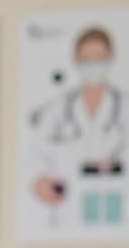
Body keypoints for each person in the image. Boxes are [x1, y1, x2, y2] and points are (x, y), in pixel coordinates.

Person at [29, 26, 126, 228]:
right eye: (86, 59)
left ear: (111, 58)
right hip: (68, 208)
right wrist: (40, 181)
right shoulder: (57, 108)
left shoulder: (124, 105)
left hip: (117, 202)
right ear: (75, 60)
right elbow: (36, 153)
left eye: (99, 57)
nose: (93, 65)